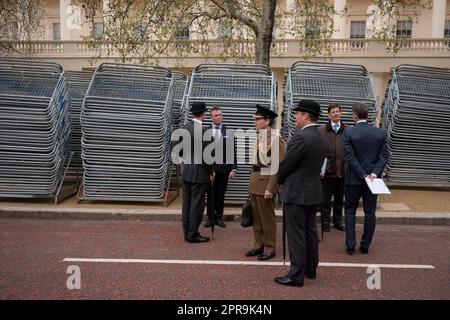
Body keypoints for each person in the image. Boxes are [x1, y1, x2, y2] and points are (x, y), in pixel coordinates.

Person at [275, 100, 328, 287]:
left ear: (306, 115)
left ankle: (296, 275)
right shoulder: (321, 136)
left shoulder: (301, 137)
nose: (295, 116)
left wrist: (278, 180)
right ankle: (310, 269)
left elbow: (287, 165)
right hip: (313, 192)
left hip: (297, 193)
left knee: (296, 235)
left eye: (297, 113)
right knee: (309, 232)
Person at [343, 102, 388, 255]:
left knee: (349, 211)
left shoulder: (349, 133)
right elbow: (383, 157)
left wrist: (362, 174)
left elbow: (350, 157)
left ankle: (350, 245)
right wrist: (373, 174)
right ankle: (365, 246)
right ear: (368, 116)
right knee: (370, 213)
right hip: (373, 181)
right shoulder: (380, 133)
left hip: (353, 179)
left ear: (355, 115)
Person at [245, 105, 286, 261]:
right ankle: (258, 244)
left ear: (267, 121)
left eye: (258, 119)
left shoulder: (276, 140)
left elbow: (277, 167)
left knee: (267, 218)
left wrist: (271, 188)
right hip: (256, 181)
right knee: (256, 218)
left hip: (265, 184)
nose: (255, 121)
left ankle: (269, 247)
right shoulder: (261, 137)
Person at [180, 102, 213, 243]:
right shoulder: (205, 131)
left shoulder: (184, 128)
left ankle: (187, 231)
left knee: (186, 204)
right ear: (203, 115)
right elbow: (208, 157)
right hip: (199, 173)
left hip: (186, 170)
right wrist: (211, 172)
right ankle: (193, 234)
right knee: (197, 205)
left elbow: (179, 151)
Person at [204, 106, 237, 228]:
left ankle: (219, 217)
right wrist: (207, 170)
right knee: (210, 193)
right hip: (210, 170)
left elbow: (232, 151)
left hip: (224, 169)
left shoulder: (228, 132)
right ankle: (210, 218)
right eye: (216, 115)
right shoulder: (205, 131)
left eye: (220, 115)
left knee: (220, 194)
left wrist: (233, 168)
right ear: (211, 117)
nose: (218, 117)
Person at [319, 104, 348, 232]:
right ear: (328, 114)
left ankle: (337, 222)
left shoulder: (348, 130)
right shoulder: (322, 130)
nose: (336, 114)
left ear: (341, 113)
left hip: (342, 171)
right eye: (333, 112)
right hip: (328, 172)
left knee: (339, 199)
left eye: (338, 111)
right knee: (325, 200)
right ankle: (325, 222)